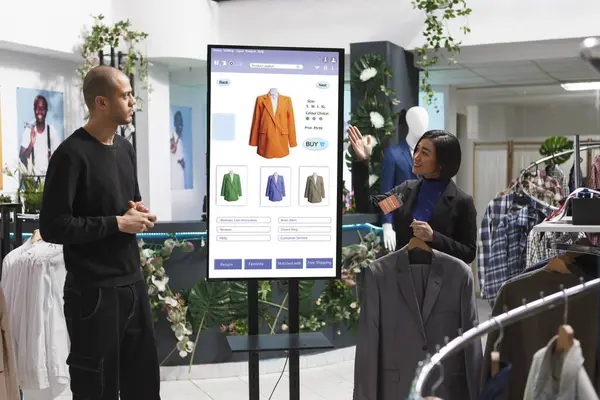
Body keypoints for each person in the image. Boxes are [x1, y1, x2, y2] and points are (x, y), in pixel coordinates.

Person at [39, 66, 160, 400]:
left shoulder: (125, 149)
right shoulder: (70, 155)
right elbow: (53, 226)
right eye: (126, 95)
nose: (134, 101)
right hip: (92, 294)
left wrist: (138, 213)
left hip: (133, 285)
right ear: (102, 103)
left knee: (144, 386)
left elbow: (126, 204)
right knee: (97, 390)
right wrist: (118, 223)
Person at [348, 126, 477, 264]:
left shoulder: (462, 202)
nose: (416, 157)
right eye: (417, 150)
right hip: (403, 279)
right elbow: (368, 206)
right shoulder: (405, 192)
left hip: (442, 281)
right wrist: (362, 162)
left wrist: (434, 237)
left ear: (442, 163)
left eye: (425, 153)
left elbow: (468, 253)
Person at [19, 95, 60, 175]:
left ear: (46, 110)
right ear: (34, 110)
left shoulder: (51, 131)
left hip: (48, 180)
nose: (40, 111)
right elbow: (22, 158)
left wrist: (54, 158)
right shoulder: (29, 130)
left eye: (43, 108)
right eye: (37, 108)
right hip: (32, 183)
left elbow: (60, 156)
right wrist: (31, 144)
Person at [170, 110, 185, 190]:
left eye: (181, 122)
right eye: (178, 121)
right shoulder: (172, 135)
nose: (180, 124)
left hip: (180, 171)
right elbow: (172, 149)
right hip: (174, 171)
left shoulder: (181, 140)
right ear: (175, 123)